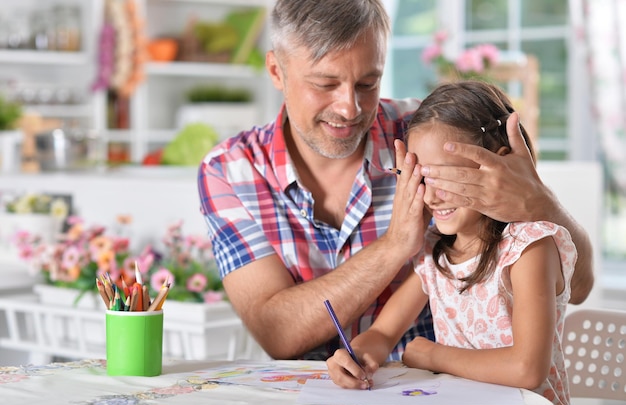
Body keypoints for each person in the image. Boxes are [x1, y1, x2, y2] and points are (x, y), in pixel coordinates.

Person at [196, 0, 593, 361]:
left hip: (435, 393)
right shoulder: (231, 171)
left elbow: (579, 286)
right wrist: (396, 245)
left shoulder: (431, 137)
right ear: (275, 71)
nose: (349, 107)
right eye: (325, 84)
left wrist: (538, 202)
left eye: (368, 83)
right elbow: (278, 334)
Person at [326, 80, 576, 405]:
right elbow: (383, 333)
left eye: (445, 177)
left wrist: (432, 356)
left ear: (498, 165)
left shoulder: (529, 249)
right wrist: (357, 356)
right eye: (422, 179)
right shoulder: (434, 255)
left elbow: (527, 369)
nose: (431, 196)